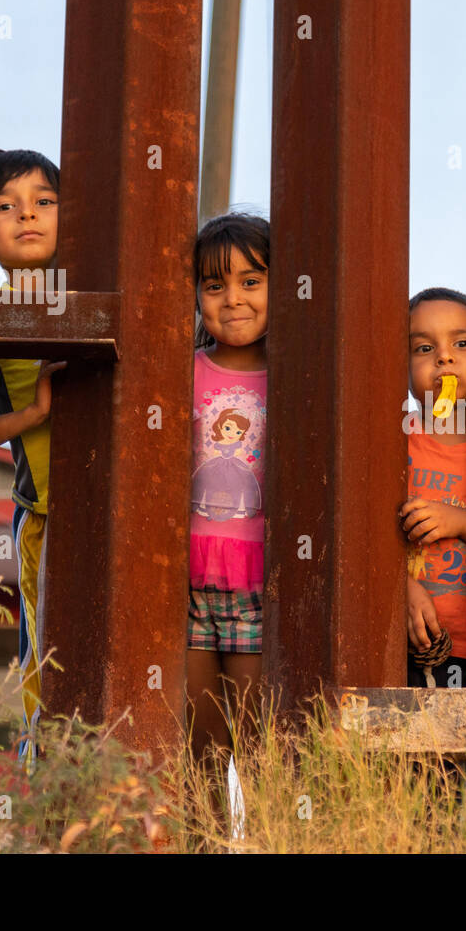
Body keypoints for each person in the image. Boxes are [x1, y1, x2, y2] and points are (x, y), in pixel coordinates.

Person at [0, 149, 67, 769]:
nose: (26, 215)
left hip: (124, 510)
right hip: (42, 518)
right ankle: (44, 782)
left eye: (43, 202)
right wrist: (32, 416)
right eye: (6, 206)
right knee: (45, 657)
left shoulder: (95, 292)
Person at [186, 213, 270, 763]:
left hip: (257, 584)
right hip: (185, 583)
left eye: (251, 282)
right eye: (215, 285)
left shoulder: (295, 375)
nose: (233, 298)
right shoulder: (181, 370)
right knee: (200, 747)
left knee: (259, 741)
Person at [400, 288, 466, 689]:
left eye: (462, 343)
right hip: (405, 647)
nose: (444, 357)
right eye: (424, 347)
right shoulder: (396, 444)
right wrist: (402, 587)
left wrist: (461, 522)